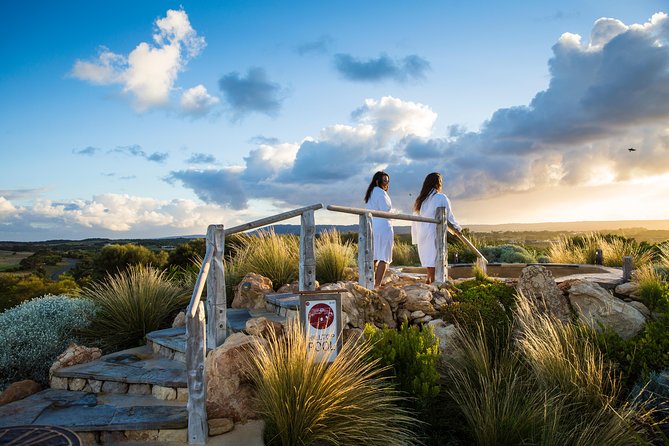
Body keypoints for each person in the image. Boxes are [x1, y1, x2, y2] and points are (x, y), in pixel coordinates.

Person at [411, 172, 461, 284]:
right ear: (437, 183)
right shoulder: (440, 197)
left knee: (429, 259)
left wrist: (415, 236)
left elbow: (415, 219)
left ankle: (429, 280)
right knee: (435, 258)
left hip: (422, 231)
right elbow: (449, 216)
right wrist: (457, 228)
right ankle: (434, 283)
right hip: (433, 231)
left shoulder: (421, 200)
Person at [364, 171, 393, 289]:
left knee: (374, 256)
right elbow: (386, 210)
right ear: (377, 181)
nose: (386, 183)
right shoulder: (381, 193)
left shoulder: (370, 193)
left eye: (387, 180)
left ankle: (368, 283)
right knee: (384, 257)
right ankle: (377, 285)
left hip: (373, 226)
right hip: (383, 226)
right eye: (384, 180)